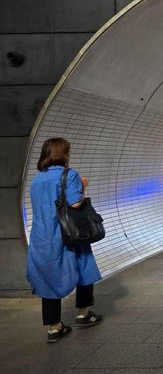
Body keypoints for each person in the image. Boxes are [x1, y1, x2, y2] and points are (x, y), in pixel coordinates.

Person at [27, 138, 104, 343]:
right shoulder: (70, 175)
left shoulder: (37, 179)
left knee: (48, 278)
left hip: (42, 236)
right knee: (84, 267)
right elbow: (75, 203)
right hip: (68, 234)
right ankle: (83, 313)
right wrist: (83, 186)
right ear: (64, 154)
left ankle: (54, 327)